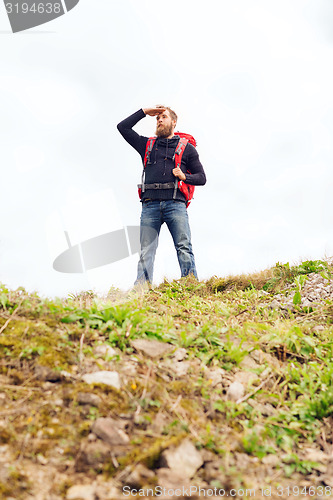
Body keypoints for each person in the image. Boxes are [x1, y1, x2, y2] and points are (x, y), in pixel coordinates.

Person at [117, 106, 206, 285]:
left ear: (174, 122)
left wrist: (184, 176)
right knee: (146, 250)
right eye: (157, 118)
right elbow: (122, 127)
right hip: (150, 205)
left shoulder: (187, 149)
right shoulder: (146, 145)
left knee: (183, 246)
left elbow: (202, 178)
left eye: (163, 117)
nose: (159, 120)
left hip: (176, 205)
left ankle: (190, 284)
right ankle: (142, 288)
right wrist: (144, 111)